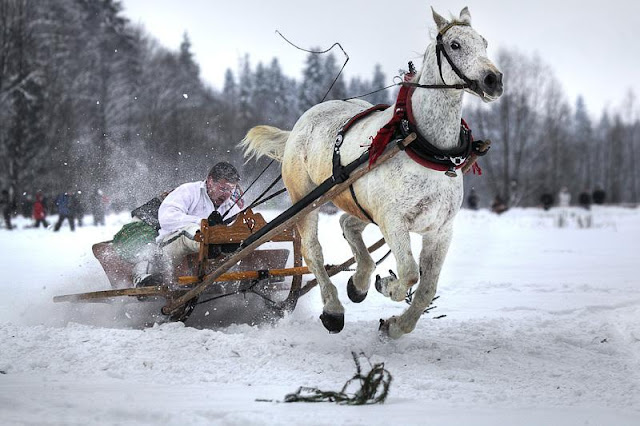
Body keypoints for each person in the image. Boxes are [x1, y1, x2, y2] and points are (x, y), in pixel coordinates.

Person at [133, 162, 243, 287]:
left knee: (233, 234)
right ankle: (209, 244)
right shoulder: (188, 191)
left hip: (206, 259)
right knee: (191, 231)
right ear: (210, 181)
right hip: (168, 250)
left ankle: (215, 246)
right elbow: (167, 218)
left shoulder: (231, 207)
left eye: (231, 190)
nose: (227, 194)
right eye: (223, 188)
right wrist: (203, 223)